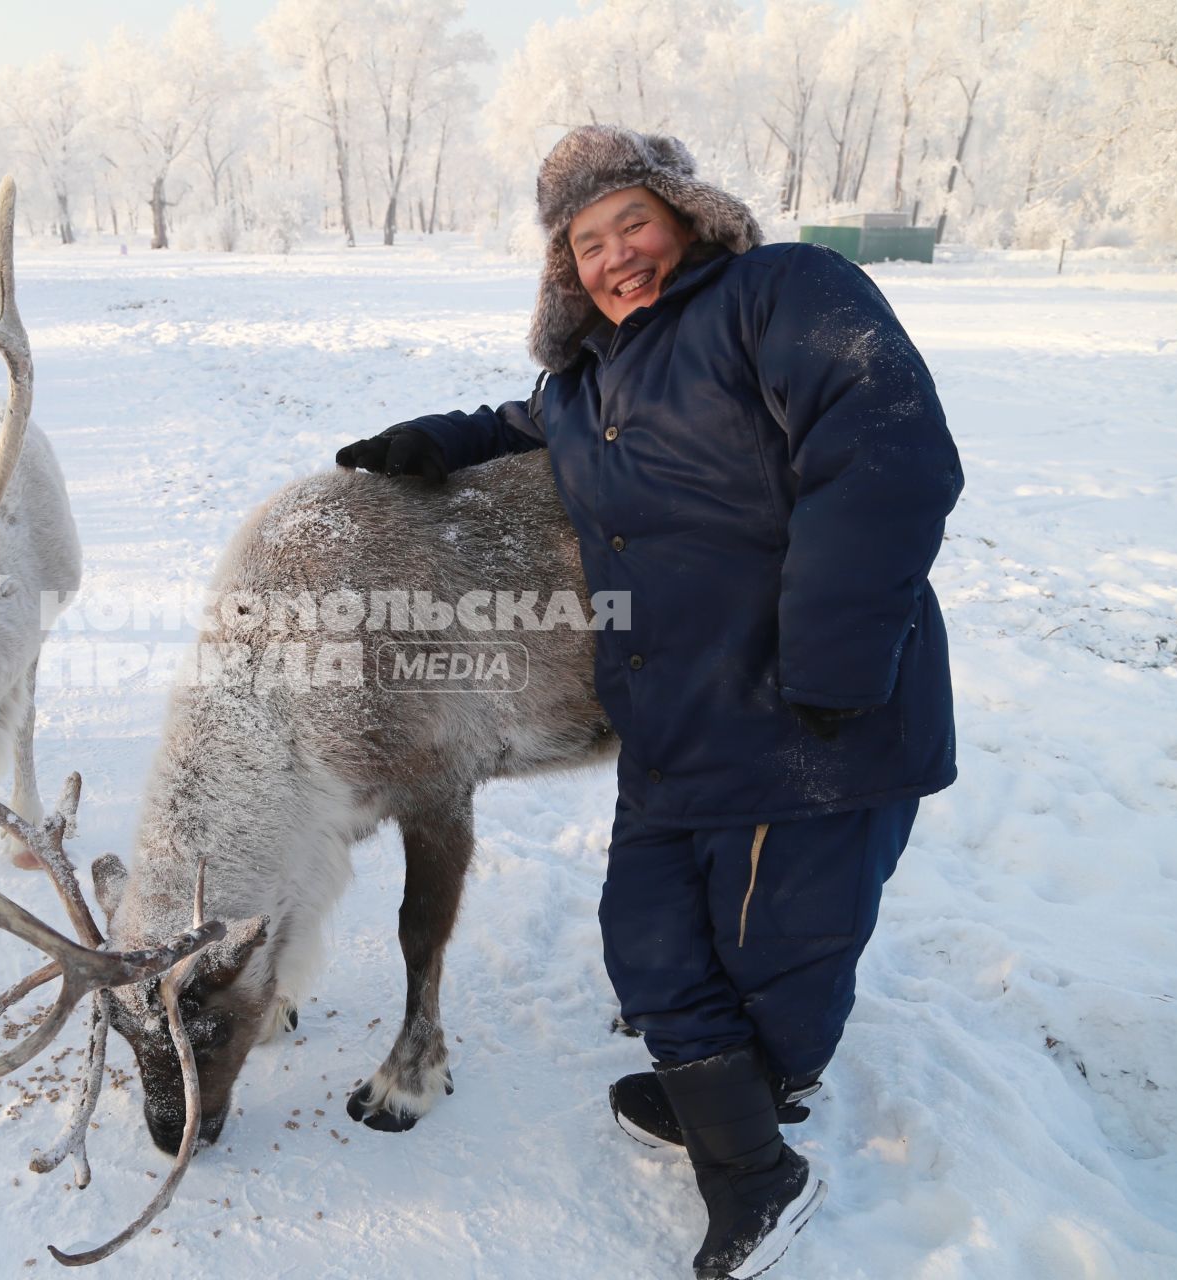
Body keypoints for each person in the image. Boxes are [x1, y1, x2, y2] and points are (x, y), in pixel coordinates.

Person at [335, 126, 963, 1279]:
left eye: (634, 223)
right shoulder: (584, 383)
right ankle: (733, 1110)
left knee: (779, 945)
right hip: (677, 721)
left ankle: (759, 1157)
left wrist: (826, 663)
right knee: (650, 941)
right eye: (587, 242)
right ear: (564, 271)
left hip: (815, 711)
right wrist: (435, 438)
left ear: (688, 215)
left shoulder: (782, 294)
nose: (617, 255)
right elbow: (530, 428)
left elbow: (888, 454)